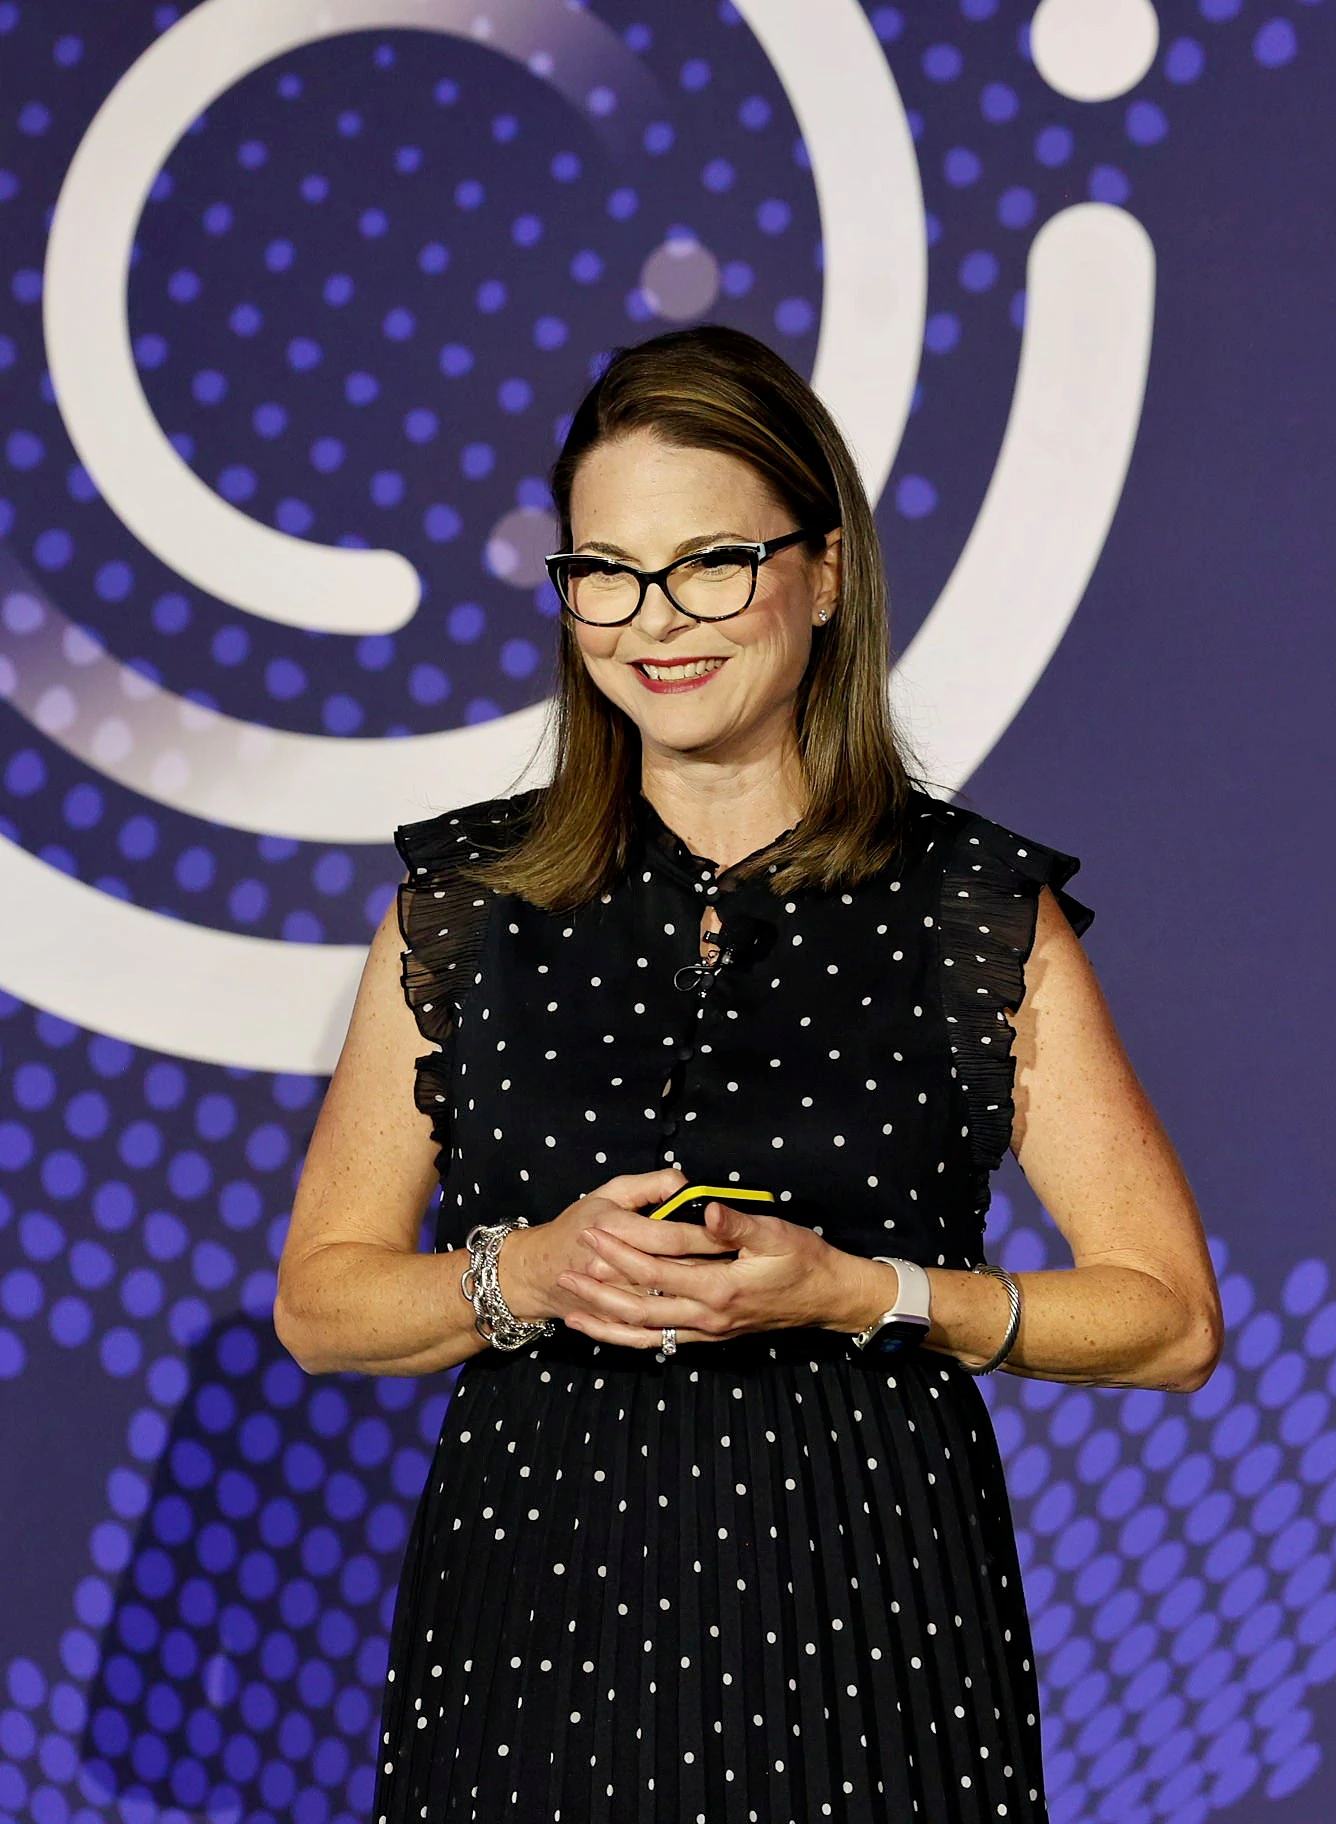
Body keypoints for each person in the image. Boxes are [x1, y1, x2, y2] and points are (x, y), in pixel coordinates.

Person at [273, 323, 1223, 1822]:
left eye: (711, 561)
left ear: (825, 572)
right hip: (536, 1634)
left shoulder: (968, 907)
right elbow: (322, 1300)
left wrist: (871, 1295)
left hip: (873, 1626)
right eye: (605, 572)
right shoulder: (470, 903)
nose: (656, 618)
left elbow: (1167, 1318)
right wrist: (525, 1272)